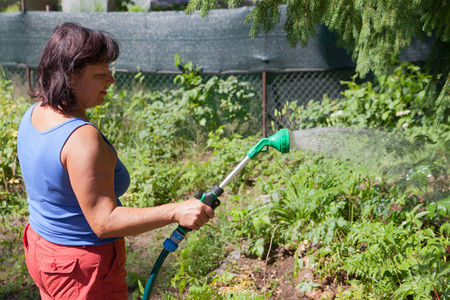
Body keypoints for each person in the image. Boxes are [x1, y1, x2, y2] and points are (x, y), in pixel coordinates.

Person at [17, 22, 214, 299]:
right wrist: (176, 211)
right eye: (100, 74)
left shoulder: (35, 113)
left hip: (44, 250)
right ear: (69, 77)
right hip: (81, 271)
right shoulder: (82, 140)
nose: (110, 80)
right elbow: (104, 222)